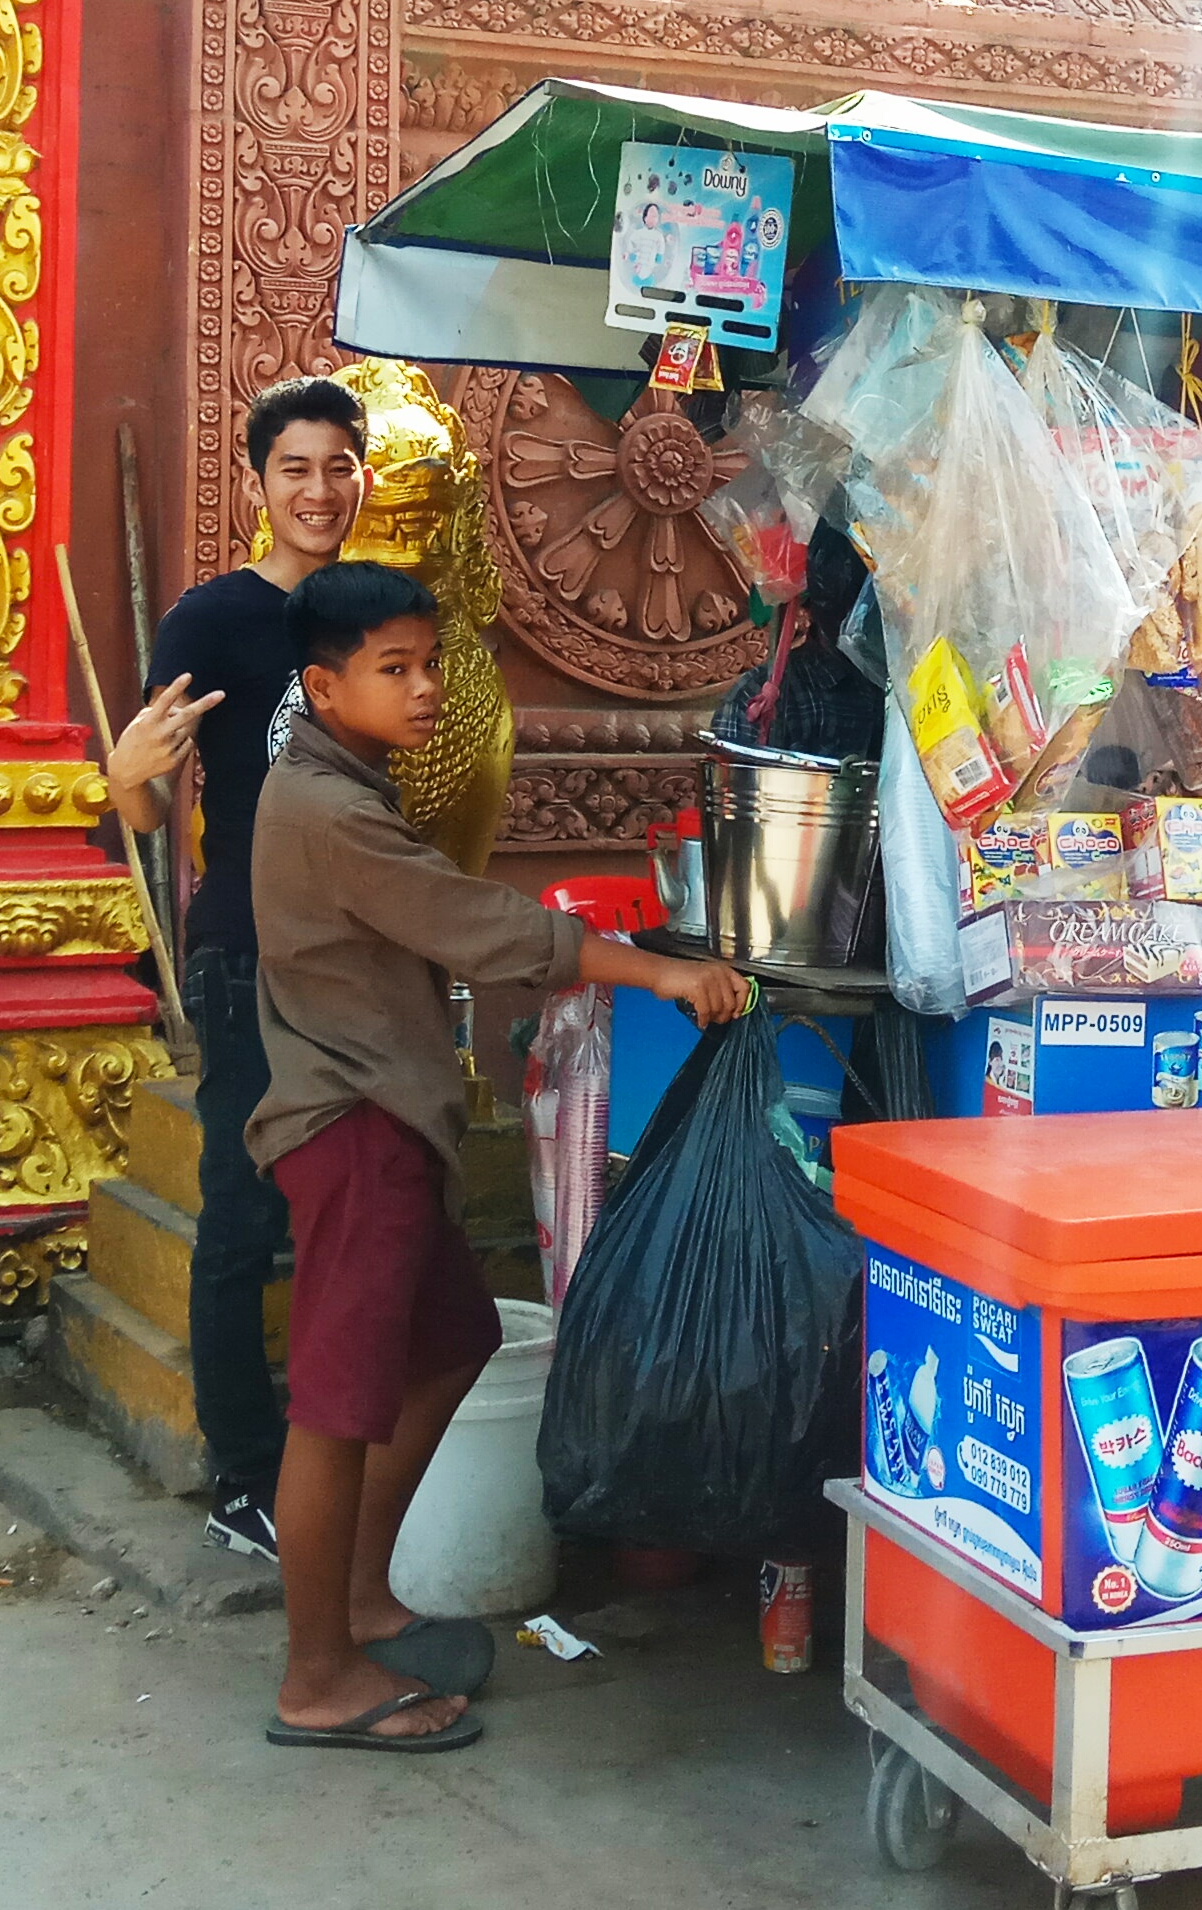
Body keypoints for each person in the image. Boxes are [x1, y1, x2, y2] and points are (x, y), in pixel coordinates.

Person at [247, 562, 745, 1751]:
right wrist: (661, 969)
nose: (425, 691)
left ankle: (364, 1596)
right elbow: (491, 925)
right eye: (394, 670)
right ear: (323, 687)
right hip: (352, 1126)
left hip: (390, 1114)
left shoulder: (339, 780)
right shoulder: (325, 811)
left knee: (454, 1342)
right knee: (331, 1408)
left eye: (429, 665)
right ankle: (312, 1676)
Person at [100, 373, 371, 1567]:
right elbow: (153, 801)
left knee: (354, 1214)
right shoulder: (210, 623)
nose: (319, 491)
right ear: (258, 486)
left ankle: (337, 1459)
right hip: (246, 952)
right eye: (295, 470)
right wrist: (122, 773)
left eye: (337, 467)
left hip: (362, 959)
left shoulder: (379, 614)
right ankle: (244, 1476)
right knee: (241, 1216)